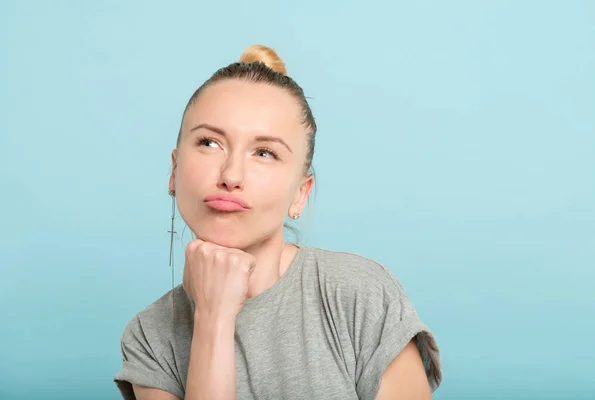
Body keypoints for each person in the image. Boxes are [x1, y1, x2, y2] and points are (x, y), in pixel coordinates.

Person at [114, 44, 442, 400]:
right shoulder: (150, 335)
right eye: (209, 142)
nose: (231, 175)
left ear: (300, 193)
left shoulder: (360, 296)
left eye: (264, 153)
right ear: (174, 171)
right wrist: (213, 317)